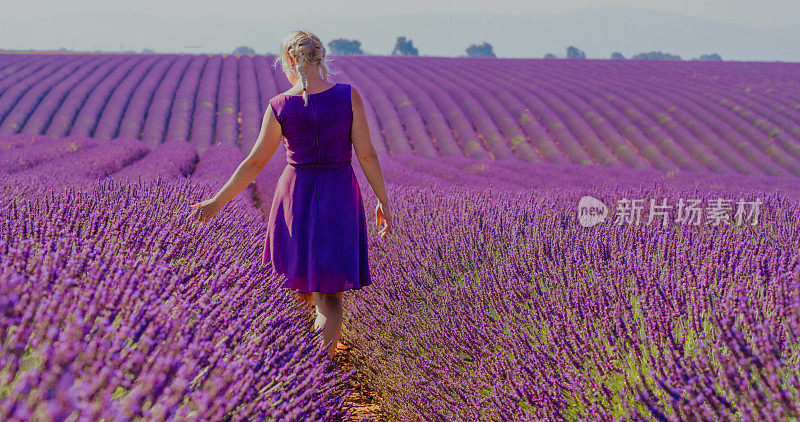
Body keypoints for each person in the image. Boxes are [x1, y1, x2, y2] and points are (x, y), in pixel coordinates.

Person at [189, 30, 392, 359]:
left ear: (288, 61)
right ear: (321, 59)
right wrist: (383, 199)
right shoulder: (348, 97)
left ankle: (294, 364)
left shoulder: (280, 105)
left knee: (293, 289)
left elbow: (255, 163)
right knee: (330, 296)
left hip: (294, 198)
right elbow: (367, 154)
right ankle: (320, 363)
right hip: (339, 196)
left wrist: (216, 203)